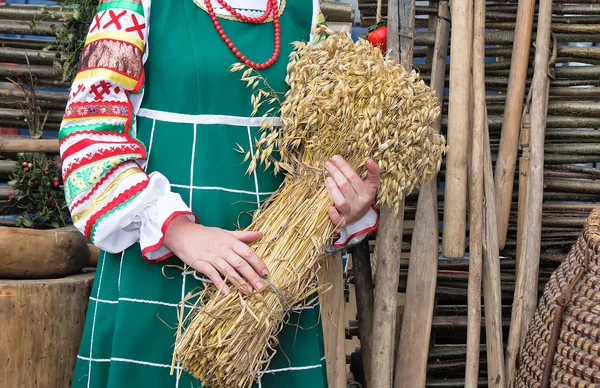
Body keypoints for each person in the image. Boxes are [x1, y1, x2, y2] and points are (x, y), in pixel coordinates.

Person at [60, 1, 380, 387]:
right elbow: (89, 134)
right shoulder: (137, 6)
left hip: (269, 280)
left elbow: (320, 150)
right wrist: (176, 230)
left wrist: (347, 204)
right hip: (158, 268)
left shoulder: (305, 15)